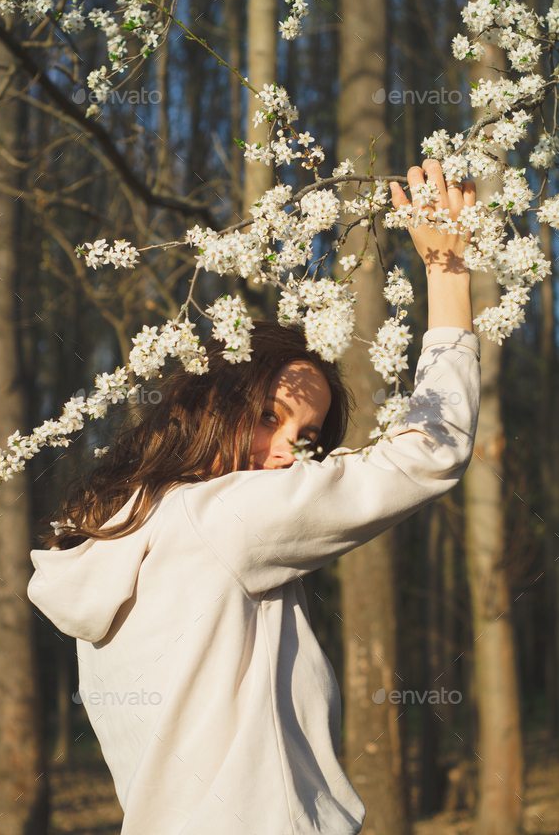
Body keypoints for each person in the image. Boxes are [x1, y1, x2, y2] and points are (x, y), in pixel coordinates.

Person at [28, 160, 481, 835]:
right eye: (271, 415)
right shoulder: (217, 518)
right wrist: (448, 275)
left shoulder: (114, 539)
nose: (285, 452)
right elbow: (429, 450)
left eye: (307, 438)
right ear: (213, 398)